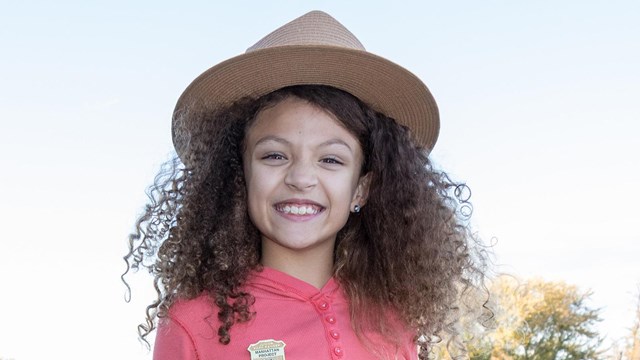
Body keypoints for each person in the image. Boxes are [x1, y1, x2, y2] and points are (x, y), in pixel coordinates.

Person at [123, 10, 490, 360]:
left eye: (330, 160)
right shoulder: (192, 323)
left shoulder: (396, 323)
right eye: (274, 156)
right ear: (240, 176)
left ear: (361, 189)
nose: (300, 178)